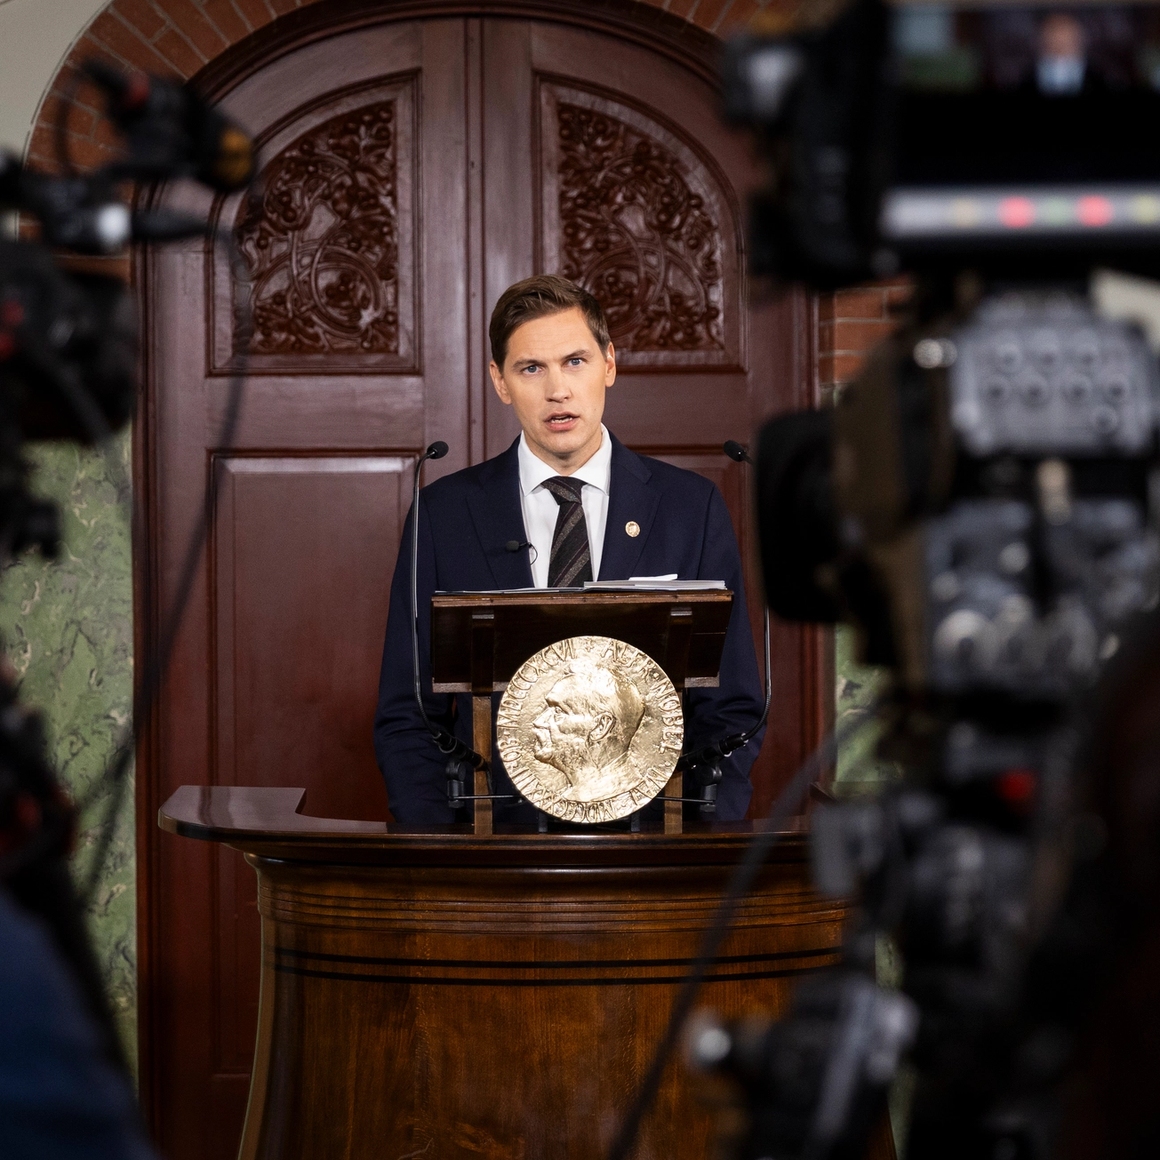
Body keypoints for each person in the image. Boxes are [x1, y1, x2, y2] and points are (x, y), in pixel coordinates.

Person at [373, 275, 764, 824]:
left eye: (575, 361)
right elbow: (409, 713)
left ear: (609, 363)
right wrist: (441, 854)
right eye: (531, 368)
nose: (557, 389)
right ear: (500, 381)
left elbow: (732, 705)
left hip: (655, 850)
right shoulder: (444, 513)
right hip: (490, 851)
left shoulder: (688, 506)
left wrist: (697, 845)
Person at [531, 659, 646, 803]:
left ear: (601, 726)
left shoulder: (615, 789)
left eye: (558, 711)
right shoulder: (576, 793)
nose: (539, 722)